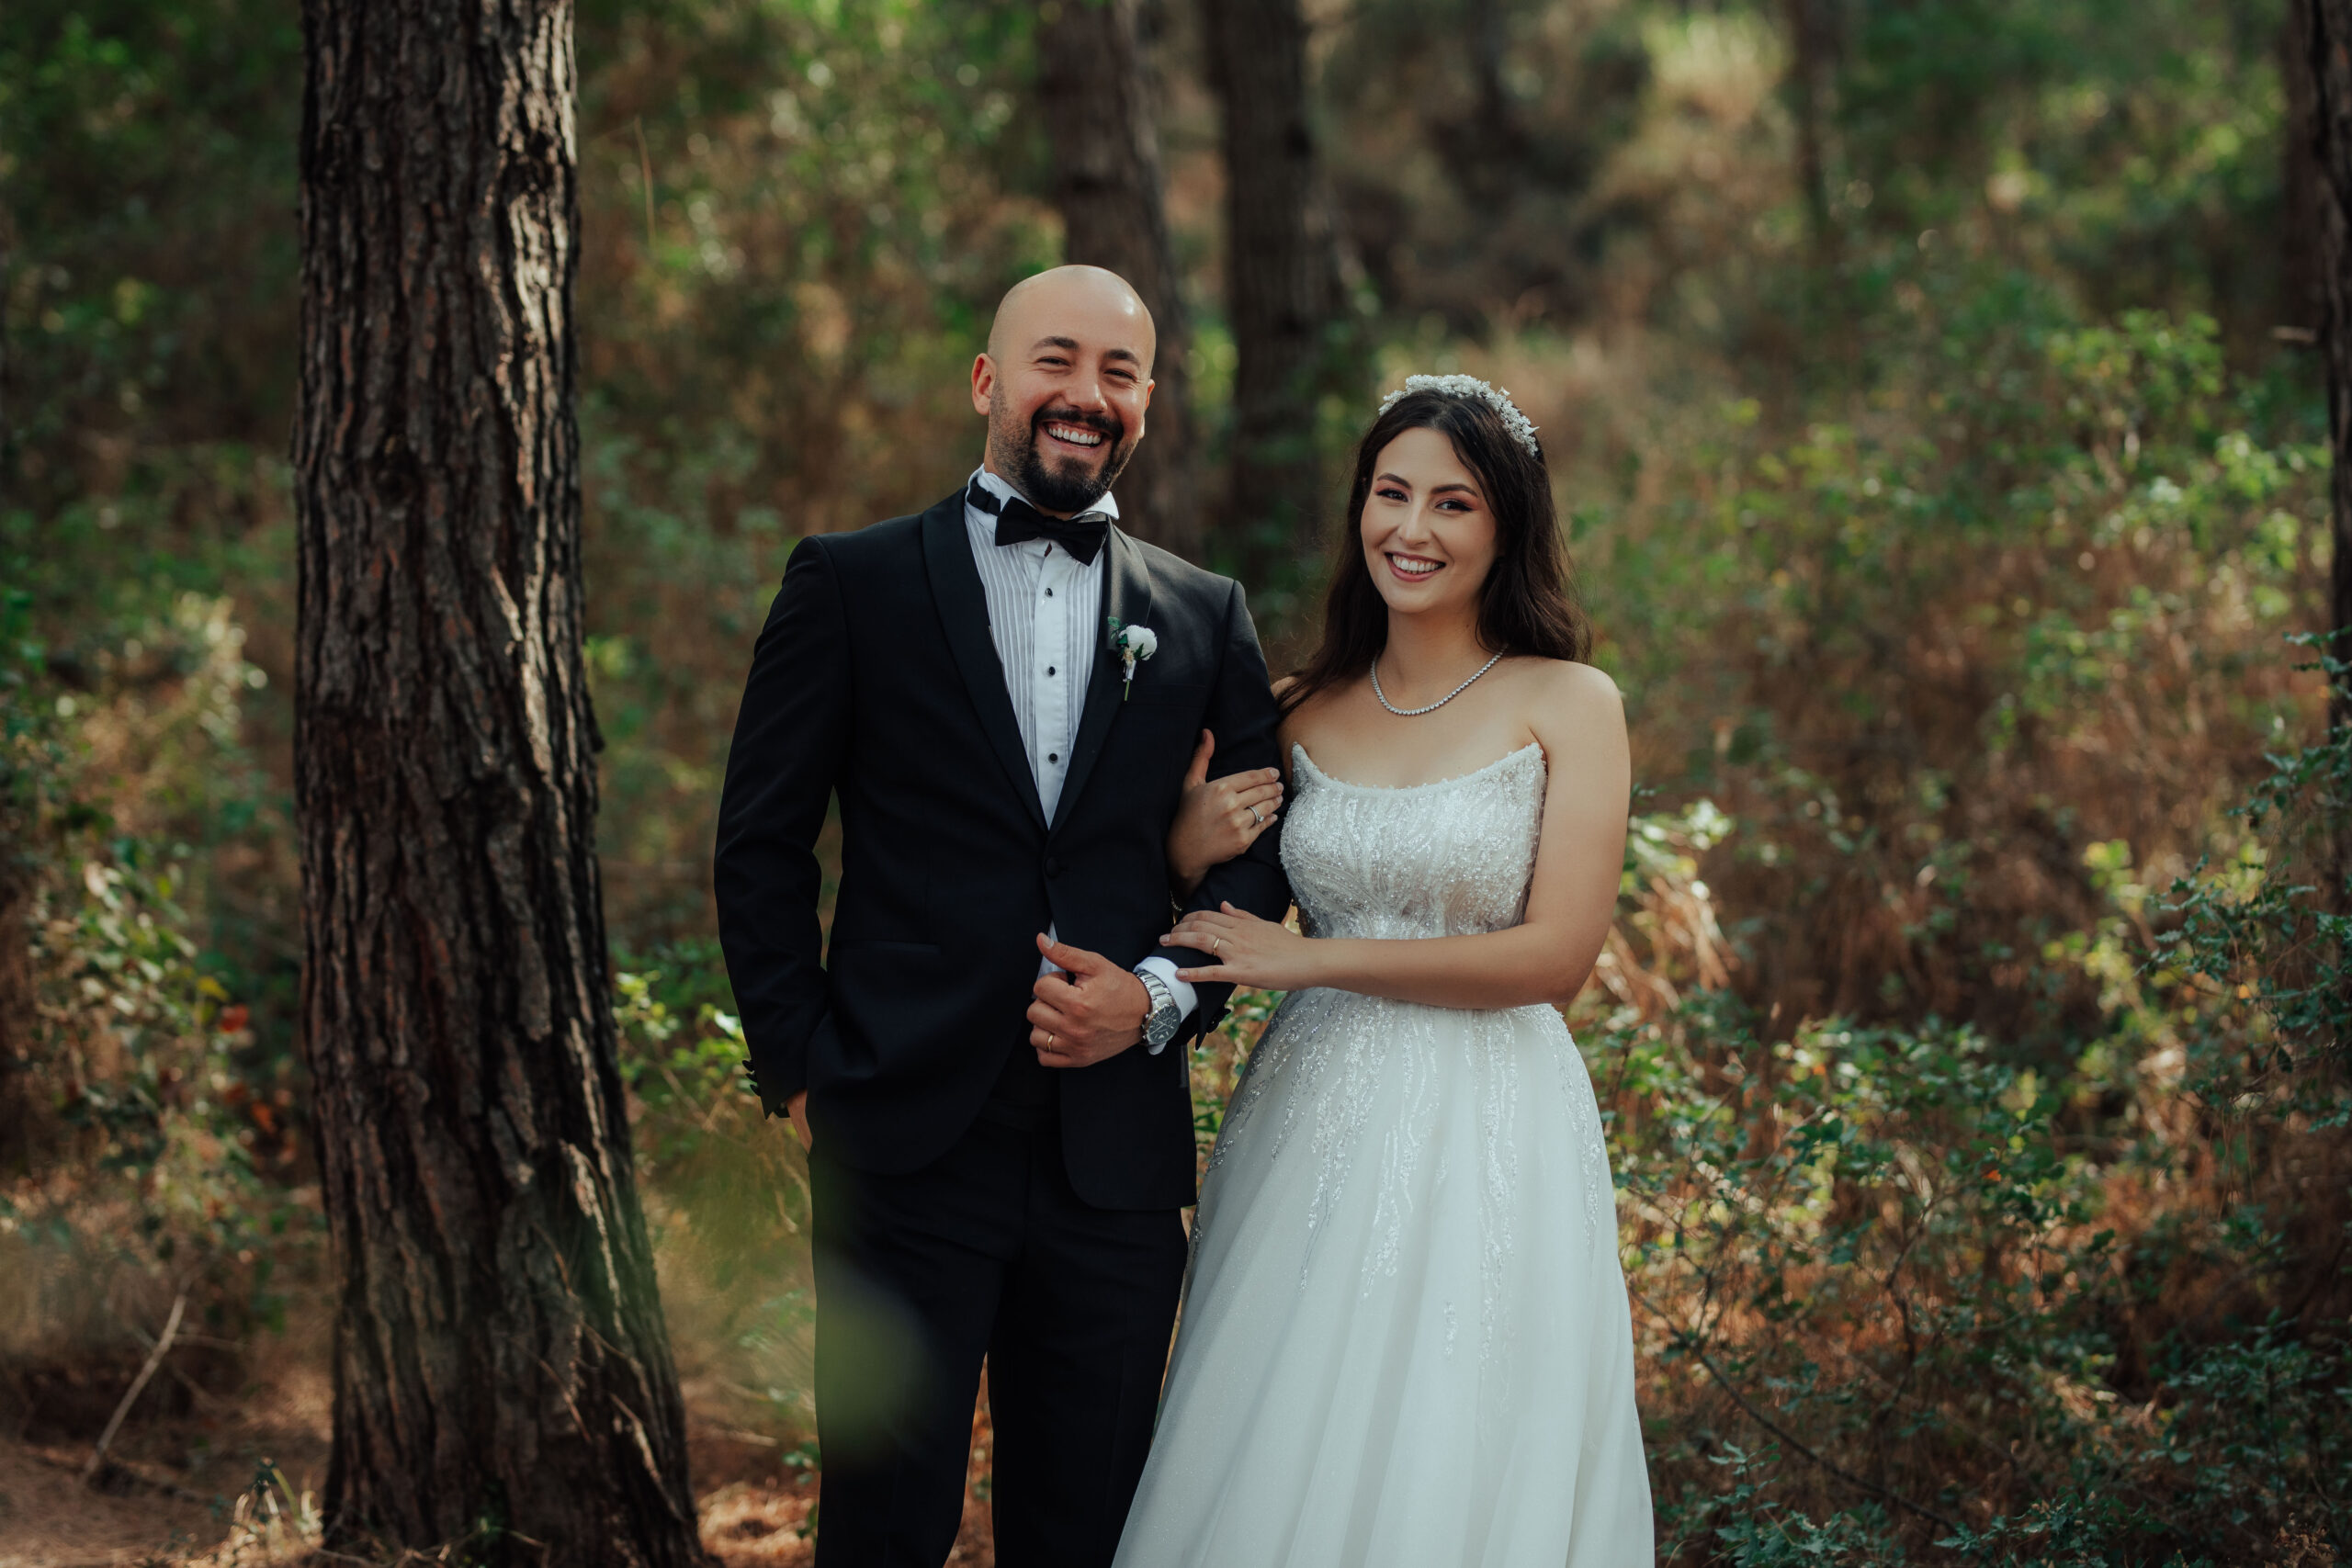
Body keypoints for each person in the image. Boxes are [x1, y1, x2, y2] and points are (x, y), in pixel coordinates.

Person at [712, 265, 1292, 1568]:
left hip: (1115, 1161)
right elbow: (760, 844)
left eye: (1119, 373)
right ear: (988, 381)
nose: (1086, 394)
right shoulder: (850, 582)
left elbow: (1260, 862)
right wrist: (798, 1071)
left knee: (1086, 1531)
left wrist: (1155, 997)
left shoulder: (1203, 614)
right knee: (884, 1528)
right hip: (903, 1138)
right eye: (1055, 361)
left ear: (1147, 403)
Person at [1113, 376, 1656, 1566]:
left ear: (1506, 525)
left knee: (1456, 1422)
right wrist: (1184, 850)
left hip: (1493, 1118)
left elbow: (1556, 958)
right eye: (1390, 493)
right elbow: (1210, 909)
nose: (1412, 529)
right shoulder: (1296, 710)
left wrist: (1310, 958)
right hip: (1310, 1117)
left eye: (1453, 503)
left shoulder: (1570, 702)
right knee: (1281, 1414)